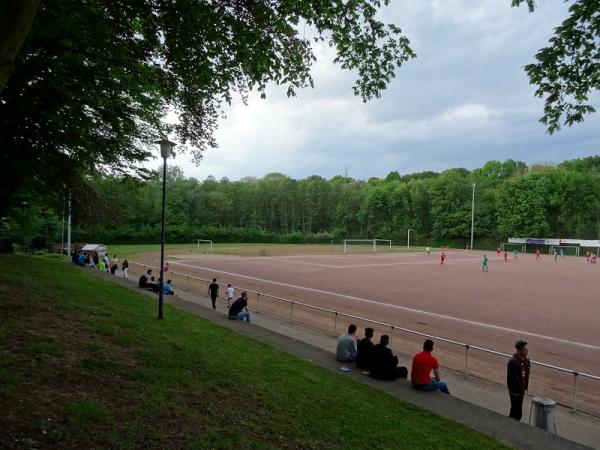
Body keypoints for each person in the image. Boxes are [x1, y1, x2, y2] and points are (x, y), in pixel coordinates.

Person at [507, 340, 531, 421]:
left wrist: (524, 388)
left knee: (518, 411)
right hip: (515, 391)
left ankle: (513, 424)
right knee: (516, 411)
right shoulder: (513, 362)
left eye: (527, 349)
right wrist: (519, 389)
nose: (527, 351)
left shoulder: (526, 360)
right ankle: (511, 426)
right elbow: (513, 380)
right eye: (524, 349)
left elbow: (526, 375)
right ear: (519, 350)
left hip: (521, 390)